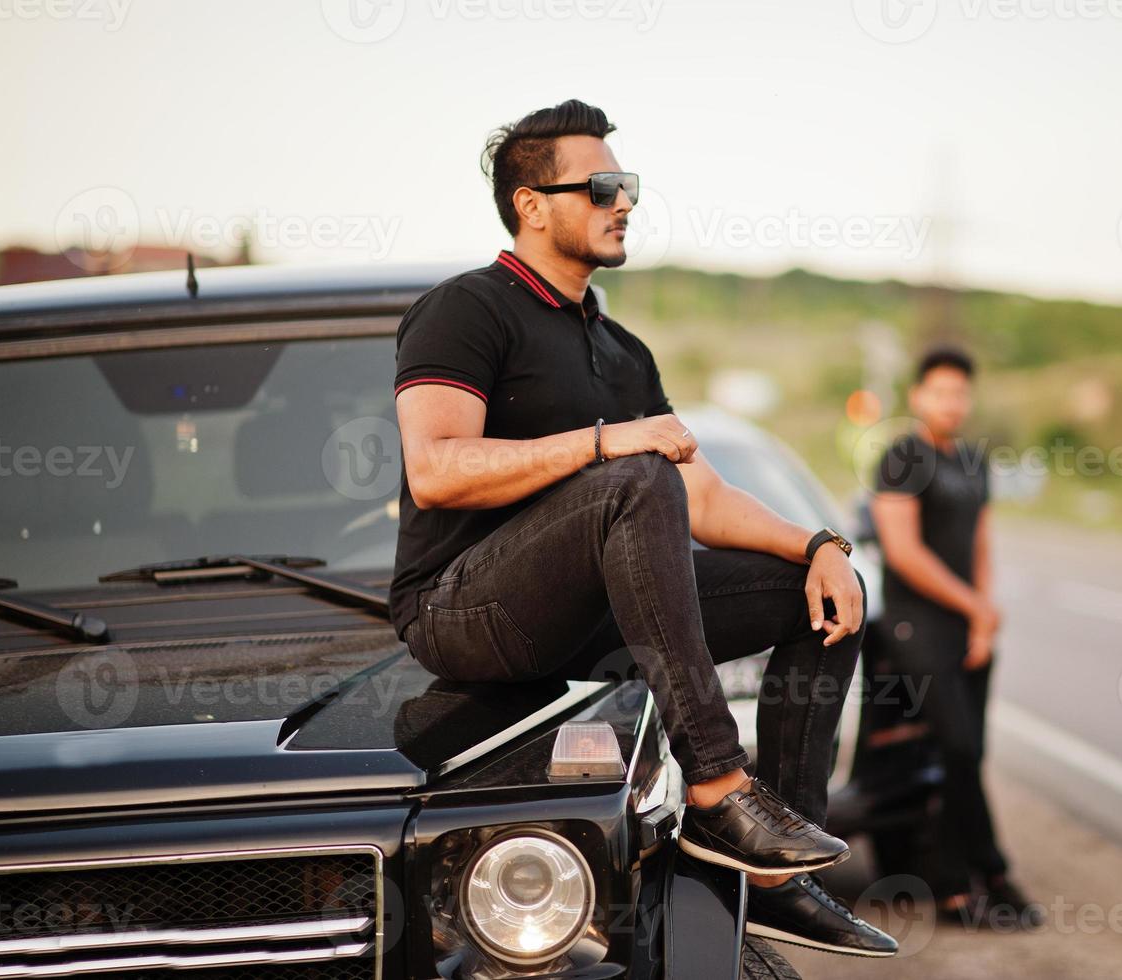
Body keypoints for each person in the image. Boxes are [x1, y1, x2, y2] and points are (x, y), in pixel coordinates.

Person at [390, 99, 897, 957]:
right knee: (632, 475)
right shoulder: (467, 309)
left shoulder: (621, 350)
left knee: (818, 595)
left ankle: (774, 876)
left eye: (628, 186)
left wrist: (816, 547)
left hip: (583, 614)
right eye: (602, 186)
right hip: (463, 611)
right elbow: (436, 469)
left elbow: (699, 497)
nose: (625, 201)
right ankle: (716, 787)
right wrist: (606, 443)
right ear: (532, 203)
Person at [869, 345, 1038, 928]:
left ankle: (950, 886)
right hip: (917, 625)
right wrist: (972, 606)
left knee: (969, 755)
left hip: (968, 626)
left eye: (960, 392)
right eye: (940, 391)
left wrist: (984, 614)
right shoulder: (900, 457)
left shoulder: (974, 461)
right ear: (918, 396)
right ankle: (992, 871)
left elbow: (982, 541)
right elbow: (903, 552)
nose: (952, 402)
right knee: (959, 749)